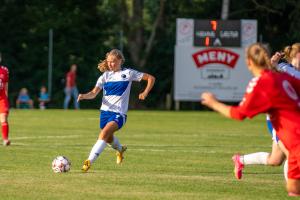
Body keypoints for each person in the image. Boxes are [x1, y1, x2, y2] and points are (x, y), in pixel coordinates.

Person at [201, 43, 300, 196]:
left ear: (248, 62)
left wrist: (214, 103)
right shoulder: (284, 76)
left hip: (296, 140)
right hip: (294, 137)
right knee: (292, 187)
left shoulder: (261, 83)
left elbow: (239, 114)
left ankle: (241, 160)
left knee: (286, 169)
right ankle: (241, 160)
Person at [77, 49, 155, 172]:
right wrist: (84, 96)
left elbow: (151, 78)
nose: (111, 64)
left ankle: (88, 162)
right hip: (104, 113)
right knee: (108, 138)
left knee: (103, 134)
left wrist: (145, 92)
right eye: (109, 62)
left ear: (120, 60)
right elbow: (93, 93)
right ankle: (120, 149)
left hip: (119, 114)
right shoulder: (105, 76)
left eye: (113, 62)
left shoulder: (128, 73)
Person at [231, 44, 300, 180]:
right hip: (279, 121)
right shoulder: (284, 69)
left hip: (293, 121)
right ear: (293, 57)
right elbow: (267, 74)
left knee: (275, 159)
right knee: (292, 154)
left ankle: (241, 160)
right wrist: (273, 63)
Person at [0, 53, 10, 146]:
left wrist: (6, 99)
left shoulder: (4, 70)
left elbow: (6, 86)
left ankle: (5, 139)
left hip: (2, 99)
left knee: (3, 118)